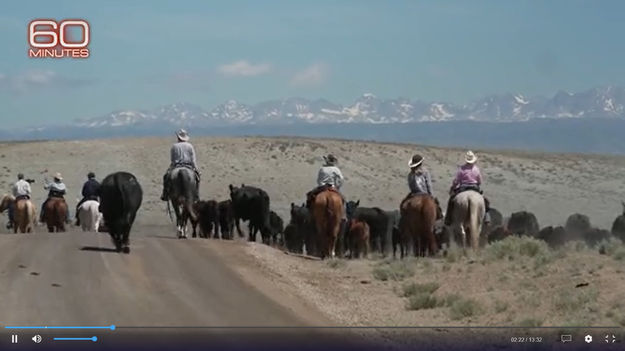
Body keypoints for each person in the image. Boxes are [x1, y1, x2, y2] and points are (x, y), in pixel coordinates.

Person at [444, 150, 490, 225]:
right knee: (485, 201)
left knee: (451, 201)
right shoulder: (476, 169)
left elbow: (456, 181)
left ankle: (448, 218)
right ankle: (487, 218)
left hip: (463, 188)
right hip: (475, 188)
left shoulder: (461, 169)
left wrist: (453, 187)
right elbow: (480, 181)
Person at [160, 129, 200, 201]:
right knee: (197, 178)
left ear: (178, 137)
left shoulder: (174, 146)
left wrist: (171, 168)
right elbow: (193, 160)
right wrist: (196, 169)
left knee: (166, 177)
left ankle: (165, 194)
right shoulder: (190, 146)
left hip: (176, 166)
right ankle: (196, 194)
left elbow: (172, 160)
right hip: (188, 166)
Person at [403, 154, 442, 219]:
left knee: (403, 206)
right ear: (420, 163)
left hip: (414, 194)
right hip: (425, 193)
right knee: (437, 206)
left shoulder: (410, 174)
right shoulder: (425, 172)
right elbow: (429, 185)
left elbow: (411, 186)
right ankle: (438, 220)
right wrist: (431, 195)